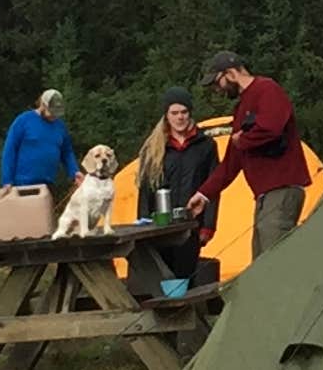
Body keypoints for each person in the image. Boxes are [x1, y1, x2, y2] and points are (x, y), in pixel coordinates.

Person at [188, 51, 311, 255]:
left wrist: (242, 139)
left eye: (217, 82)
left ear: (230, 73)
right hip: (265, 196)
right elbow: (230, 163)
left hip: (282, 189)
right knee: (260, 260)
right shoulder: (241, 107)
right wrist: (204, 194)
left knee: (274, 260)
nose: (217, 90)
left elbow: (271, 128)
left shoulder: (267, 90)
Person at [132, 87, 218, 291]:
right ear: (166, 115)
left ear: (190, 113)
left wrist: (208, 225)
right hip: (159, 225)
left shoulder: (206, 145)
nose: (180, 117)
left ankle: (187, 317)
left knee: (185, 275)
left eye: (184, 112)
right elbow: (145, 191)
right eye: (174, 113)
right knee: (161, 277)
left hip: (191, 224)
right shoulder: (153, 148)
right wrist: (143, 222)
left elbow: (213, 187)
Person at [0, 87, 76, 191]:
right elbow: (10, 150)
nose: (53, 115)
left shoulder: (60, 127)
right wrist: (7, 180)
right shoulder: (23, 121)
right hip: (22, 184)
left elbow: (67, 152)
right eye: (51, 111)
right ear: (43, 105)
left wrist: (74, 172)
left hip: (47, 185)